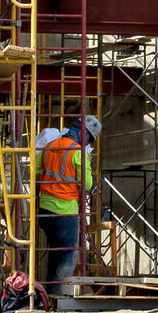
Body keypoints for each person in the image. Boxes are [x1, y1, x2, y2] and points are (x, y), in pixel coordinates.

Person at [31, 115, 100, 301]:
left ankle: (48, 291)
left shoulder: (49, 146)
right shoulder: (78, 152)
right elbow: (87, 184)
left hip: (45, 209)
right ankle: (59, 294)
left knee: (55, 250)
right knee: (69, 252)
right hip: (65, 210)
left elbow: (35, 172)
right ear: (86, 135)